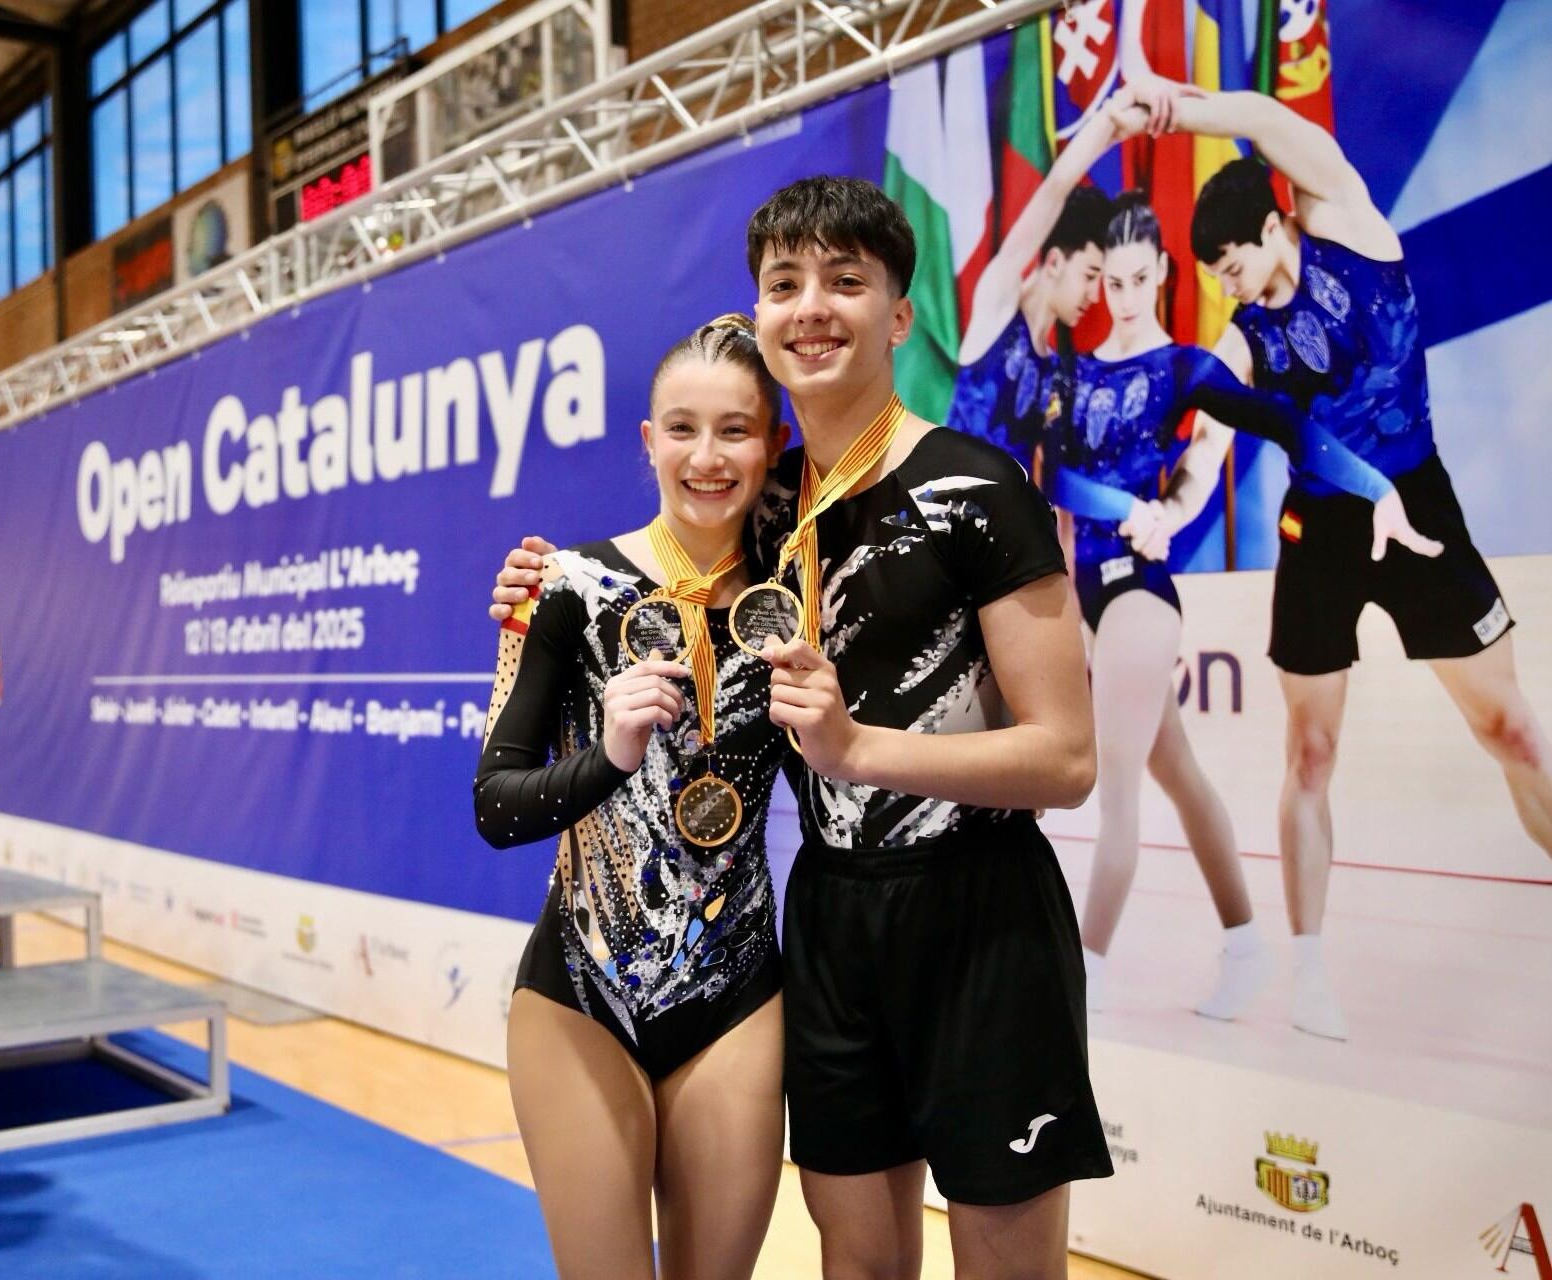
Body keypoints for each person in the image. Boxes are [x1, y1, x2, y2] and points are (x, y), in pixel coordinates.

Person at [494, 176, 1110, 1280]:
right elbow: (654, 557)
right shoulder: (761, 504)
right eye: (786, 284)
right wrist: (538, 584)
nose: (812, 306)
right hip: (829, 919)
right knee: (857, 1261)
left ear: (901, 314)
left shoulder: (977, 490)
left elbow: (1066, 758)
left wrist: (857, 749)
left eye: (846, 280)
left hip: (980, 910)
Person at [1138, 85, 1552, 1039]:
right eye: (1219, 279)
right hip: (1321, 531)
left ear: (1277, 226)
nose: (1231, 288)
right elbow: (1206, 449)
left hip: (1419, 504)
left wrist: (1172, 110)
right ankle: (1311, 974)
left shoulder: (1350, 227)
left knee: (1513, 732)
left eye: (1236, 266)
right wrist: (1169, 513)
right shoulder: (1242, 339)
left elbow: (1273, 123)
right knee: (1310, 753)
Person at [1037, 190, 1436, 1020]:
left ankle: (1084, 973)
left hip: (1139, 597)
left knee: (1116, 789)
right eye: (1110, 282)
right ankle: (1246, 942)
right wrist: (1126, 511)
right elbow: (1062, 481)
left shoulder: (1182, 367)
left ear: (1162, 274)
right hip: (1082, 586)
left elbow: (1288, 426)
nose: (1124, 296)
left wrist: (1374, 487)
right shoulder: (1071, 374)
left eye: (1139, 279)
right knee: (1176, 770)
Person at [473, 315, 792, 1280]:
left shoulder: (800, 592)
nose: (708, 456)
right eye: (682, 429)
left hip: (735, 995)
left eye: (736, 429)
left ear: (773, 444)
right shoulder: (564, 585)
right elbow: (496, 805)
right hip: (579, 993)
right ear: (647, 440)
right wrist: (609, 754)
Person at [948, 101, 1120, 473]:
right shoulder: (998, 301)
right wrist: (1110, 121)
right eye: (1090, 276)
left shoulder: (1055, 369)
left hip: (1005, 528)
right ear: (1055, 262)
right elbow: (1055, 189)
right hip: (946, 523)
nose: (1095, 296)